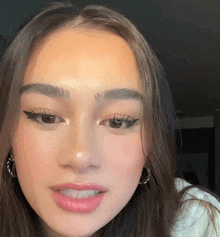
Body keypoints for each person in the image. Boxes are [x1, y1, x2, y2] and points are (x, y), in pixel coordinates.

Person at [0, 2, 219, 237]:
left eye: (117, 121)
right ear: (9, 132)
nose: (80, 157)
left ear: (151, 145)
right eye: (47, 116)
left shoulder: (196, 223)